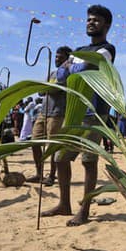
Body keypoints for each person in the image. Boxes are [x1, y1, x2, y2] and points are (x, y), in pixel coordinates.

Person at [42, 4, 116, 226]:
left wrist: (72, 66)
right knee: (61, 158)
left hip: (94, 112)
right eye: (88, 19)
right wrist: (73, 67)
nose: (90, 22)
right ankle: (64, 204)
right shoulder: (79, 50)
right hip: (73, 112)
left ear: (107, 25)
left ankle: (84, 210)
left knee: (88, 161)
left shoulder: (107, 49)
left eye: (96, 20)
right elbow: (62, 75)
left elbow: (81, 70)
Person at [25, 46, 72, 185]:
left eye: (60, 57)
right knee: (34, 141)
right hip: (43, 112)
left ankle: (51, 175)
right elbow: (40, 92)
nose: (57, 59)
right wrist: (44, 88)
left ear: (67, 59)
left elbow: (55, 89)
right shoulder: (51, 73)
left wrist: (45, 88)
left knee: (53, 146)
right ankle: (39, 173)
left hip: (57, 113)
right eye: (56, 56)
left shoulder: (67, 73)